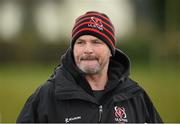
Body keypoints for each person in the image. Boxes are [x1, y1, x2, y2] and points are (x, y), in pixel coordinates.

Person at [17, 11, 163, 123]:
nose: (88, 50)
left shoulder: (135, 96)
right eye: (80, 42)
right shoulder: (47, 96)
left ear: (111, 50)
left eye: (96, 42)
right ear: (73, 49)